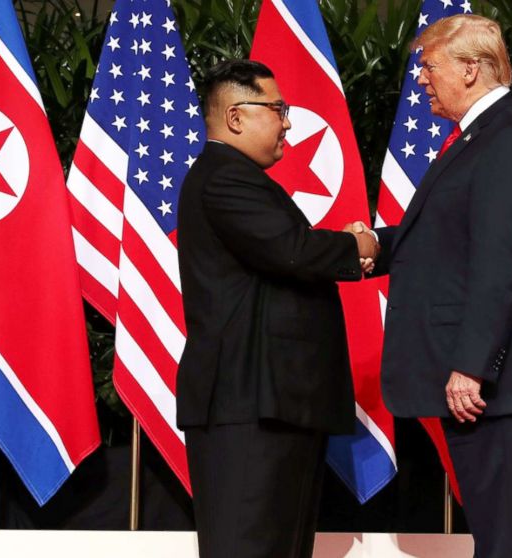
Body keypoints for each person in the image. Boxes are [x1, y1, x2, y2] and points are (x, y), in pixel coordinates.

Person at [354, 14, 512, 558]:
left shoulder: (507, 139)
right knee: (493, 535)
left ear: (470, 69)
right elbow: (448, 240)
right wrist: (375, 243)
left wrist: (471, 365)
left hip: (485, 382)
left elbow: (502, 263)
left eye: (430, 65)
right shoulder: (480, 138)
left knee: (501, 541)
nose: (421, 78)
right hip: (471, 376)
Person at [175, 59, 378, 558]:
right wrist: (360, 246)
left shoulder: (237, 178)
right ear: (237, 117)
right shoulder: (224, 177)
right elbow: (292, 249)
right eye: (277, 109)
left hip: (271, 404)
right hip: (248, 407)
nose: (287, 121)